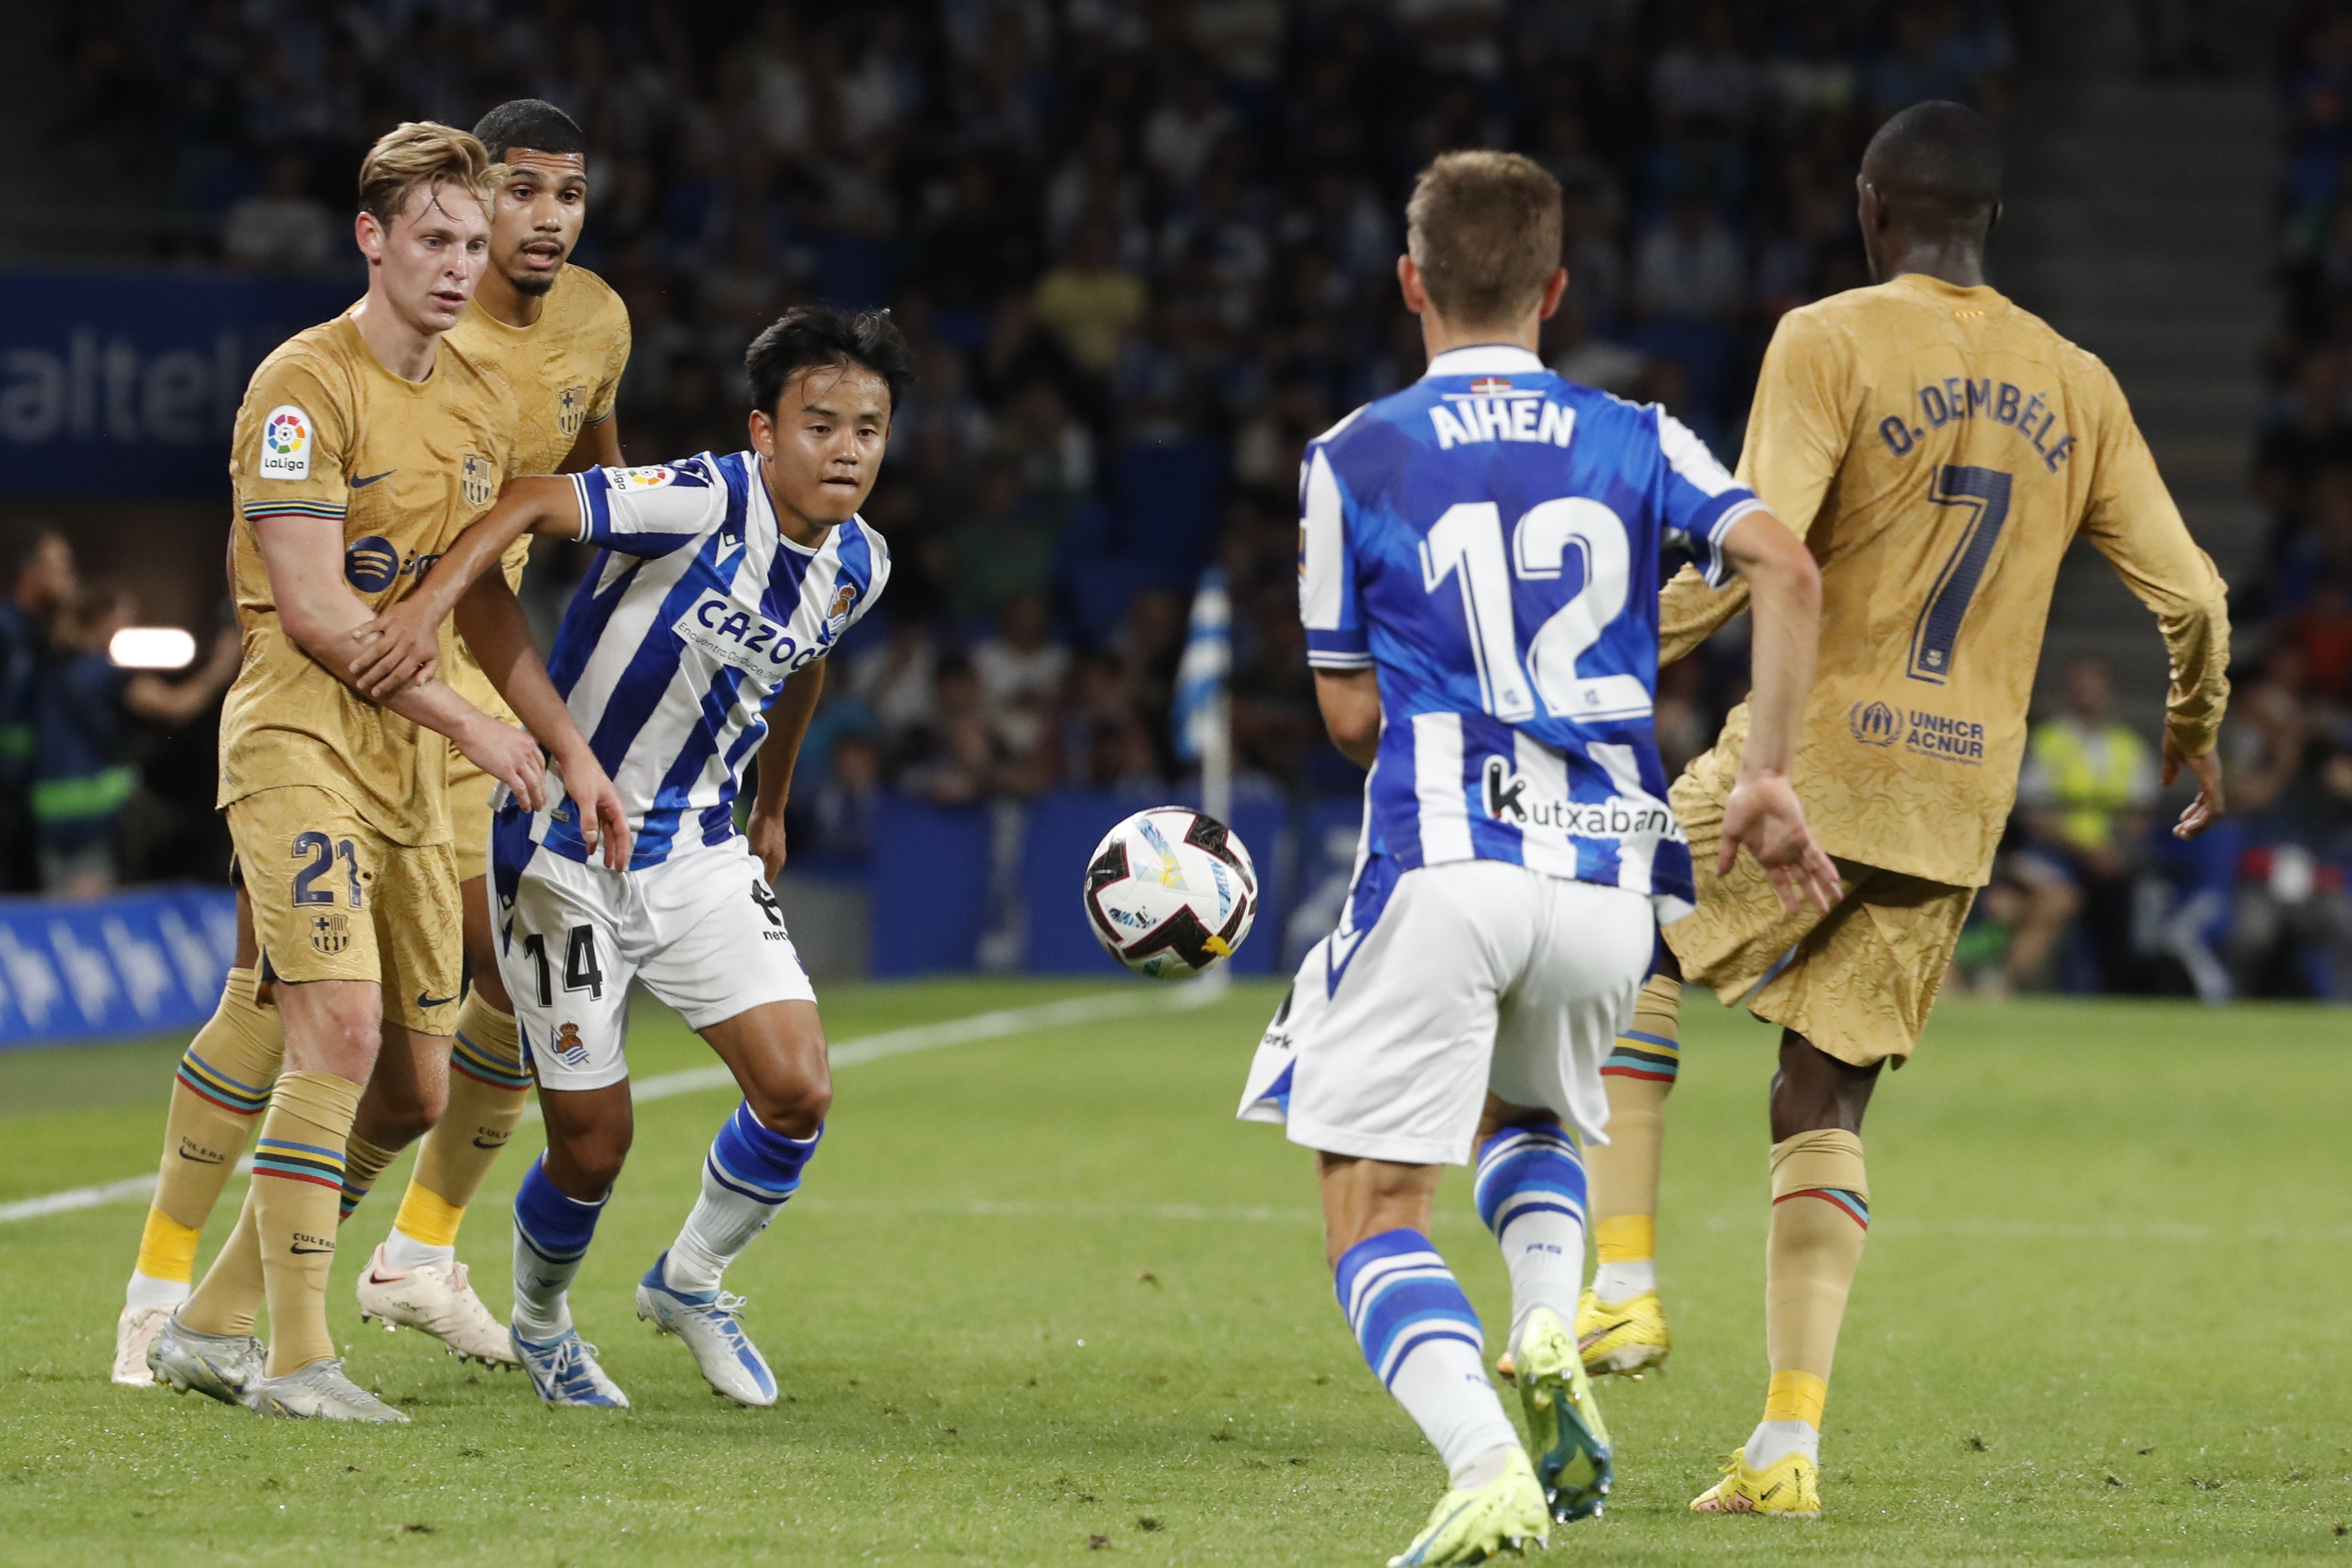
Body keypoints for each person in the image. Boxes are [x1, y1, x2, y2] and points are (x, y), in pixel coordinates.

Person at [1576, 101, 2232, 1517]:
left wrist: (1599, 648)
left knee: (1616, 914)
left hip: (1811, 761)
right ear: (1982, 221)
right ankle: (1785, 1445)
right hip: (1953, 801)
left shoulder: (1827, 335)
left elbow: (1753, 549)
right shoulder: (2078, 381)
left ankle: (1619, 1281)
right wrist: (2190, 729)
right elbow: (2192, 594)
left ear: (1874, 208)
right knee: (1819, 1096)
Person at [1232, 151, 1834, 1567]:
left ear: (1409, 285)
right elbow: (1786, 567)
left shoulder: (1348, 453)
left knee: (1366, 1202)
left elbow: (1344, 717)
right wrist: (1761, 776)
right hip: (1609, 881)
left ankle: (1483, 1459)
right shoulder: (1639, 435)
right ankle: (1549, 1315)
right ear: (1554, 290)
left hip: (1449, 857)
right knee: (1533, 1126)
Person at [111, 99, 635, 1383]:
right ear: (379, 238)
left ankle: (314, 1286)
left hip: (433, 746)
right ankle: (201, 1306)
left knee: (421, 1068)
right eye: (450, 230)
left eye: (486, 230)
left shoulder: (507, 384)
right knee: (304, 1015)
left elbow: (517, 566)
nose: (474, 253)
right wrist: (475, 715)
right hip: (309, 726)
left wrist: (566, 741)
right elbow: (317, 606)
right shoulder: (303, 381)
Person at [347, 305, 905, 1408]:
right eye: (821, 423)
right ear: (763, 429)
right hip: (566, 850)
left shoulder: (859, 564)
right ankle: (543, 1321)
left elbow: (805, 668)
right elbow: (524, 502)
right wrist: (427, 608)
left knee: (798, 1089)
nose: (845, 449)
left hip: (699, 851)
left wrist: (773, 802)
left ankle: (689, 1282)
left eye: (869, 429)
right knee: (595, 1146)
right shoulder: (697, 498)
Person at [31, 586, 239, 897]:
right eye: (122, 621)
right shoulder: (106, 676)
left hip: (46, 815)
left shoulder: (47, 671)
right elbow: (177, 706)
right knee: (91, 914)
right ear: (102, 622)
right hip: (94, 817)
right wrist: (220, 668)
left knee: (58, 913)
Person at [2017, 653, 2158, 989]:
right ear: (2069, 692)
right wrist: (2086, 852)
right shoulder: (2049, 741)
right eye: (2081, 688)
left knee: (2123, 905)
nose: (2089, 695)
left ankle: (2118, 991)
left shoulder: (2129, 747)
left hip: (2112, 861)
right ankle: (2018, 985)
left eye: (2096, 687)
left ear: (2110, 692)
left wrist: (2116, 852)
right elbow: (2035, 813)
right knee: (2053, 899)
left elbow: (2141, 812)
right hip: (2056, 856)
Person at [0, 532, 77, 893]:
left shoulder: (50, 639)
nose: (69, 578)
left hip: (32, 799)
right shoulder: (7, 632)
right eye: (61, 567)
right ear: (32, 571)